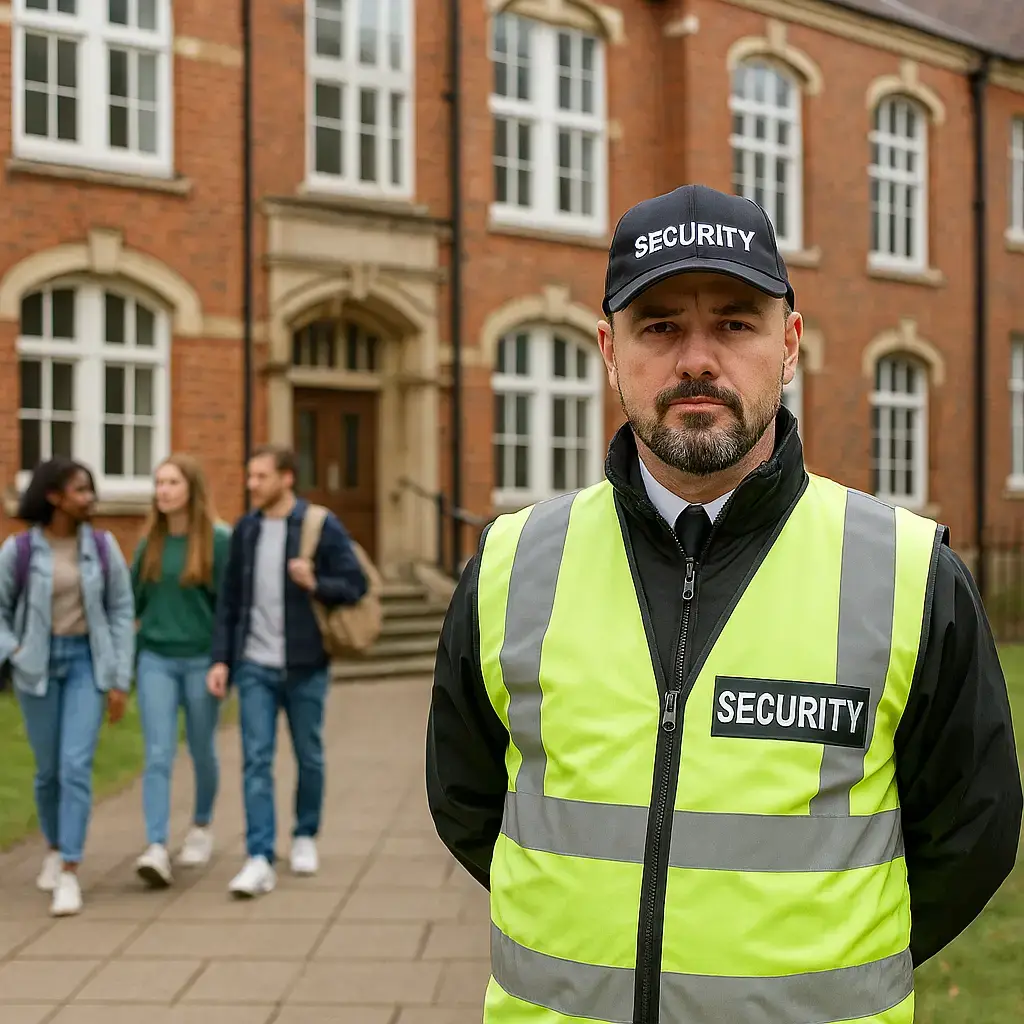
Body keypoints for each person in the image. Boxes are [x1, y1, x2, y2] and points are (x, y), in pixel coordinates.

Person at [426, 184, 1023, 1024]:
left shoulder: (909, 573)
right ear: (608, 347)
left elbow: (974, 828)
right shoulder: (510, 565)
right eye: (660, 325)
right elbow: (465, 800)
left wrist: (811, 963)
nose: (697, 359)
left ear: (790, 343)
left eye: (735, 323)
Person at [208, 444, 367, 898]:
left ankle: (304, 835)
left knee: (309, 755)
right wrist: (221, 659)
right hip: (254, 664)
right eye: (250, 476)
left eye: (259, 476)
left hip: (305, 663)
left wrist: (314, 582)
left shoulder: (319, 525)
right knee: (256, 759)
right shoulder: (247, 530)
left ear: (286, 478)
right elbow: (231, 602)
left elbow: (355, 585)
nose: (251, 484)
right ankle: (259, 855)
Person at [0, 458, 135, 917]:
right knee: (48, 771)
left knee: (75, 765)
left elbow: (120, 608)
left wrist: (118, 677)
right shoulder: (18, 550)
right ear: (54, 497)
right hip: (36, 667)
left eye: (91, 490)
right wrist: (13, 650)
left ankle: (71, 872)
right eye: (81, 490)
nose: (90, 498)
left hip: (85, 663)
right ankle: (54, 847)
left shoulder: (101, 546)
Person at [131, 454, 233, 888]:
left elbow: (228, 608)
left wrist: (222, 659)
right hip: (154, 657)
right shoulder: (149, 542)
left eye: (171, 482)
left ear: (191, 488)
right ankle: (155, 844)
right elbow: (132, 603)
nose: (163, 491)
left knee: (201, 747)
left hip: (201, 660)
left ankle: (202, 826)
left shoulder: (218, 539)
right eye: (159, 483)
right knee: (157, 752)